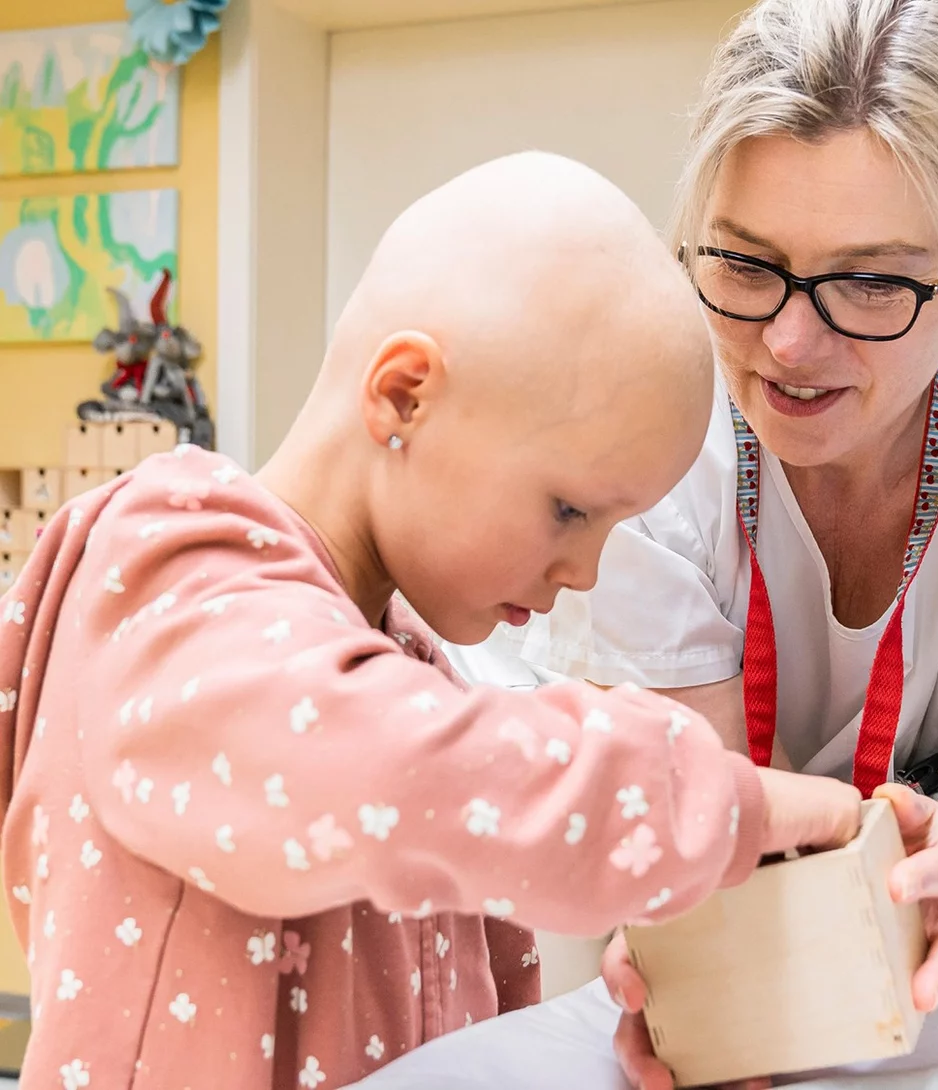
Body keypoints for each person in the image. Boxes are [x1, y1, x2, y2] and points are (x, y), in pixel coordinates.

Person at [0, 153, 867, 1089]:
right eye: (570, 511)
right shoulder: (168, 574)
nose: (583, 573)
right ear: (403, 396)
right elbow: (392, 769)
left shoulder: (406, 672)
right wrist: (719, 806)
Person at [455, 2, 938, 1084]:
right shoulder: (654, 429)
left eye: (872, 282)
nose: (791, 345)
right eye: (747, 265)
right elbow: (705, 815)